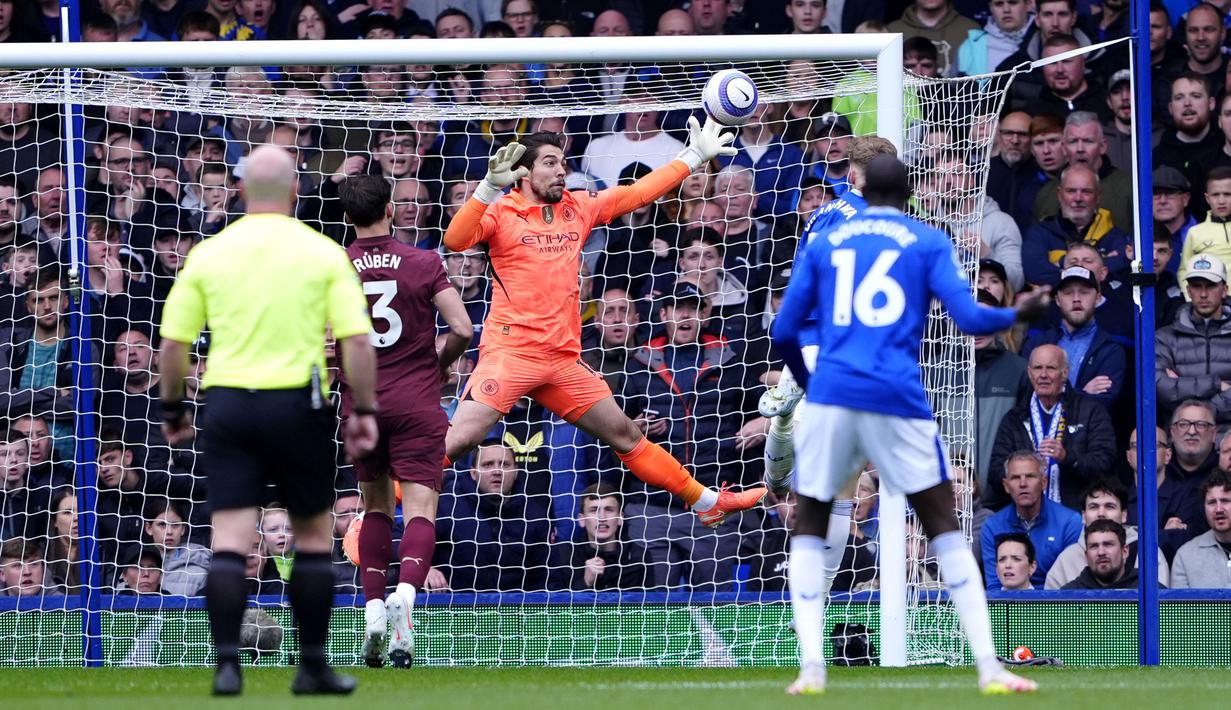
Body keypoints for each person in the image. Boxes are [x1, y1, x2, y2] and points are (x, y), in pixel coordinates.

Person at [772, 155, 1043, 694]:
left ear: (861, 188)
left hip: (835, 396)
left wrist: (809, 379)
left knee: (810, 526)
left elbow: (783, 330)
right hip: (898, 397)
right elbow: (969, 320)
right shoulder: (927, 241)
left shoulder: (826, 240)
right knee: (943, 526)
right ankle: (989, 665)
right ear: (911, 192)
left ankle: (810, 668)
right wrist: (1016, 314)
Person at [439, 124, 766, 528]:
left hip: (562, 362)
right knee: (458, 442)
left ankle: (706, 502)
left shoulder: (578, 206)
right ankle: (376, 513)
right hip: (511, 356)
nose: (562, 170)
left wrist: (694, 156)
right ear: (523, 172)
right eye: (550, 163)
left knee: (626, 435)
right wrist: (488, 186)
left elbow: (637, 193)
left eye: (563, 162)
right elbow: (456, 240)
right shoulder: (502, 211)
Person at [158, 145, 379, 696]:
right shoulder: (323, 251)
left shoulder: (210, 253)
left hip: (229, 402)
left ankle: (228, 665)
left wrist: (173, 408)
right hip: (298, 404)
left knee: (230, 537)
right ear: (295, 193)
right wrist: (365, 410)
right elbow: (355, 339)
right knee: (309, 538)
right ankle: (311, 666)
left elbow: (173, 343)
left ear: (239, 192)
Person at [333, 174, 471, 669]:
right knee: (419, 510)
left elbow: (324, 342)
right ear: (390, 209)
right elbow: (462, 328)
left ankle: (371, 608)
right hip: (417, 402)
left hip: (363, 405)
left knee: (373, 507)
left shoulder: (336, 269)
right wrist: (437, 364)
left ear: (348, 216)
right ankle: (406, 599)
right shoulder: (423, 261)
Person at [987, 344, 1117, 510]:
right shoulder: (1015, 418)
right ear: (1029, 373)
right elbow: (996, 473)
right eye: (1037, 368)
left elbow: (1106, 465)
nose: (1043, 375)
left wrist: (1068, 458)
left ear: (1065, 373)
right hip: (1026, 515)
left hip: (1077, 516)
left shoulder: (1091, 411)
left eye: (1051, 368)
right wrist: (1021, 471)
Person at [1022, 266, 1127, 408]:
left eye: (1084, 292)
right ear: (1057, 300)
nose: (1076, 299)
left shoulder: (1111, 350)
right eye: (1068, 293)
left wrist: (1052, 392)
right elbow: (1028, 396)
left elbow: (1103, 403)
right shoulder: (1036, 344)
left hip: (1088, 430)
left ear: (1097, 298)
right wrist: (1083, 392)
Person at [981, 451, 1082, 589]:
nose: (1023, 484)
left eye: (1030, 476)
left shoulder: (1069, 522)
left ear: (1044, 482)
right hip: (1008, 605)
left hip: (1055, 605)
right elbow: (994, 586)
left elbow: (1071, 584)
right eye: (1016, 478)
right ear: (1006, 485)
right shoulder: (992, 526)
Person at [1044, 479, 1170, 589]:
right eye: (1094, 507)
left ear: (1124, 515)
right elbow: (1052, 611)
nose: (1101, 513)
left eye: (1109, 506)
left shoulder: (1148, 552)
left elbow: (1160, 605)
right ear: (1083, 516)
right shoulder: (1066, 559)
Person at [1156, 254, 1231, 424]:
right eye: (1196, 286)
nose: (1203, 294)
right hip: (1181, 440)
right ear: (1188, 291)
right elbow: (1161, 389)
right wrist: (1217, 385)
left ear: (1225, 290)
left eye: (1211, 286)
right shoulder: (1164, 337)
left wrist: (1197, 415)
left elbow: (1172, 390)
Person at [546, 483, 650, 591]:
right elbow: (555, 605)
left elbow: (651, 604)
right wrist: (585, 582)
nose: (602, 517)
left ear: (620, 518)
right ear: (582, 520)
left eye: (609, 510)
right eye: (594, 510)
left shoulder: (639, 557)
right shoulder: (564, 555)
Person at [1170, 469, 1231, 588]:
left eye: (1225, 501)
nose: (1218, 509)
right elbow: (1181, 606)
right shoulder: (1185, 556)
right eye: (1212, 502)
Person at [1060, 519, 1141, 590]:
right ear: (1086, 556)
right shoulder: (1069, 595)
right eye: (1094, 546)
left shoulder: (1146, 588)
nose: (1101, 552)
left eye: (1108, 544)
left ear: (1125, 552)